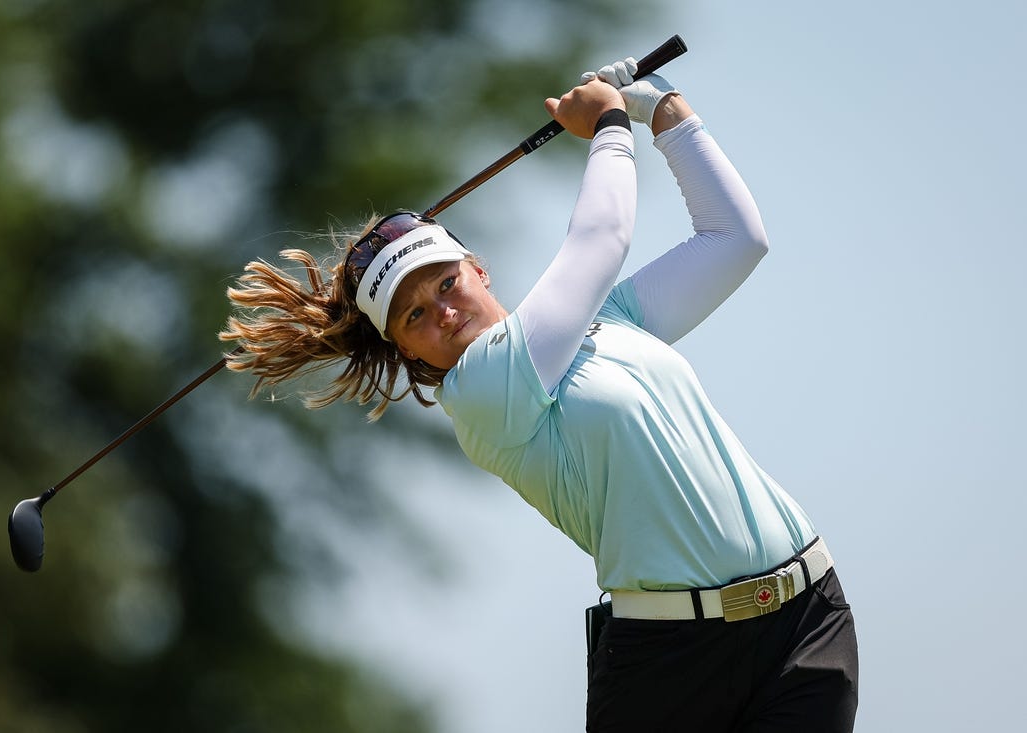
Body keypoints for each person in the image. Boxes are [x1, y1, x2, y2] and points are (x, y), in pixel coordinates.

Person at [221, 59, 859, 732]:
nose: (439, 310)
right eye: (412, 316)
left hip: (806, 622)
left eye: (442, 282)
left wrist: (660, 108)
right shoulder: (483, 391)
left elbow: (736, 239)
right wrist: (609, 125)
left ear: (476, 266)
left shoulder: (608, 320)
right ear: (408, 350)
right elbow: (602, 237)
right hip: (673, 670)